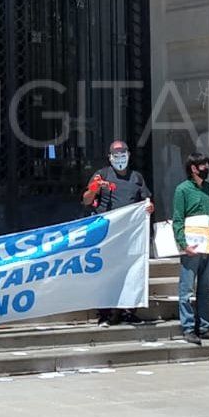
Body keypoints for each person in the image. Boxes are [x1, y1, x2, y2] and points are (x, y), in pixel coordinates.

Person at [82, 140, 155, 327]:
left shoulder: (137, 177)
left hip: (130, 236)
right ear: (110, 157)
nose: (120, 158)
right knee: (106, 274)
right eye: (116, 155)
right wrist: (94, 189)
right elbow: (86, 200)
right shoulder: (102, 175)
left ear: (128, 155)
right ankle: (105, 314)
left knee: (131, 272)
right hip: (108, 235)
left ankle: (128, 311)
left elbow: (146, 201)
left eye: (123, 154)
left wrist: (149, 208)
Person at [172, 152, 209, 345]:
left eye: (207, 165)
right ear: (193, 168)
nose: (206, 169)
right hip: (192, 246)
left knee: (205, 288)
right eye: (203, 166)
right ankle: (188, 328)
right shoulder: (182, 190)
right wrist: (183, 244)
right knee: (186, 288)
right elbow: (178, 219)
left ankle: (204, 327)